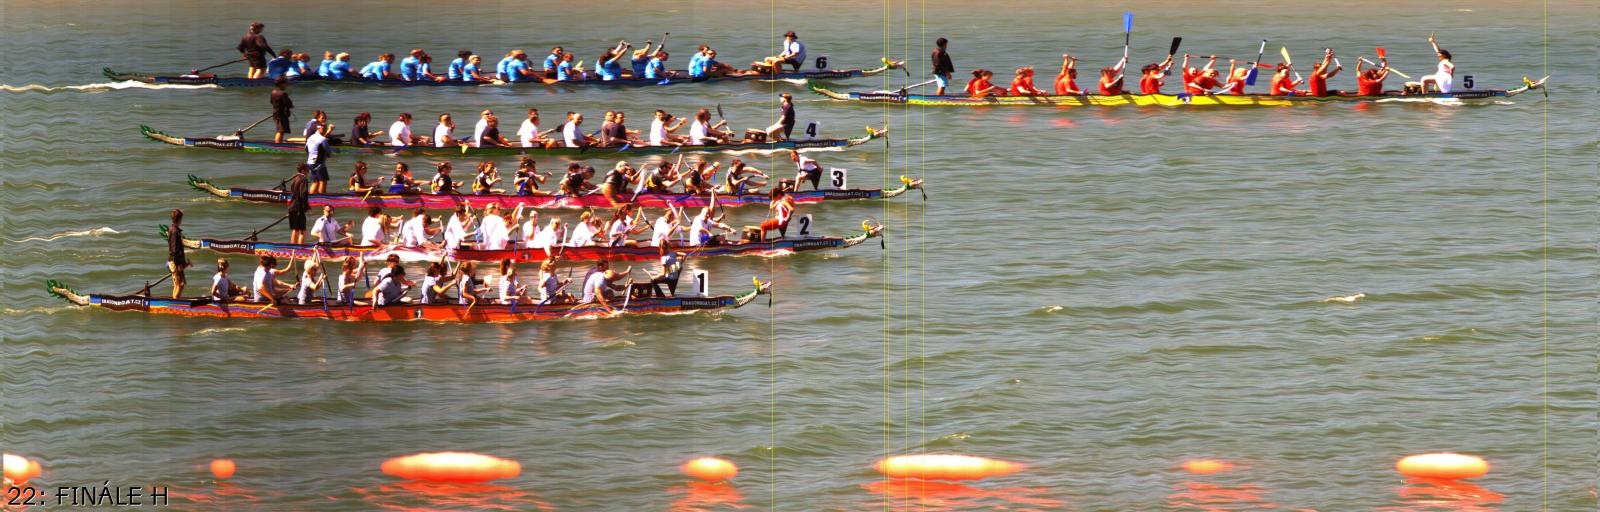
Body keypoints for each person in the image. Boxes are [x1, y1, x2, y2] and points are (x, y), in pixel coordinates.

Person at [305, 121, 332, 194]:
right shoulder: (323, 139)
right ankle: (322, 198)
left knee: (315, 182)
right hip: (319, 163)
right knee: (323, 181)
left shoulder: (310, 137)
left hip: (310, 162)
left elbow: (306, 149)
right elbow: (329, 152)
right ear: (318, 128)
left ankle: (311, 197)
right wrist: (328, 155)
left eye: (326, 129)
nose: (325, 130)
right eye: (323, 129)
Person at [166, 209, 188, 298]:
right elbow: (174, 249)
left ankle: (174, 301)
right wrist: (179, 265)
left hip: (173, 260)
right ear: (179, 219)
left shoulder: (171, 229)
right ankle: (175, 302)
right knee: (180, 285)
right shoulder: (175, 231)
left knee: (177, 285)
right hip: (176, 262)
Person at [287, 163, 311, 245]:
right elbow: (303, 194)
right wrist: (307, 206)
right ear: (303, 170)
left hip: (291, 207)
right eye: (307, 170)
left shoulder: (295, 178)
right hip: (298, 207)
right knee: (302, 230)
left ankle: (293, 248)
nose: (308, 172)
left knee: (295, 229)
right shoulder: (303, 179)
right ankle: (300, 249)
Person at [269, 76, 293, 143]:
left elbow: (271, 102)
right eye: (286, 83)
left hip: (275, 113)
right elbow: (288, 104)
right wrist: (290, 106)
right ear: (282, 84)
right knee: (280, 131)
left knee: (280, 130)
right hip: (282, 114)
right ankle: (278, 144)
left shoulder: (273, 92)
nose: (287, 84)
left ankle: (279, 142)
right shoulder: (283, 93)